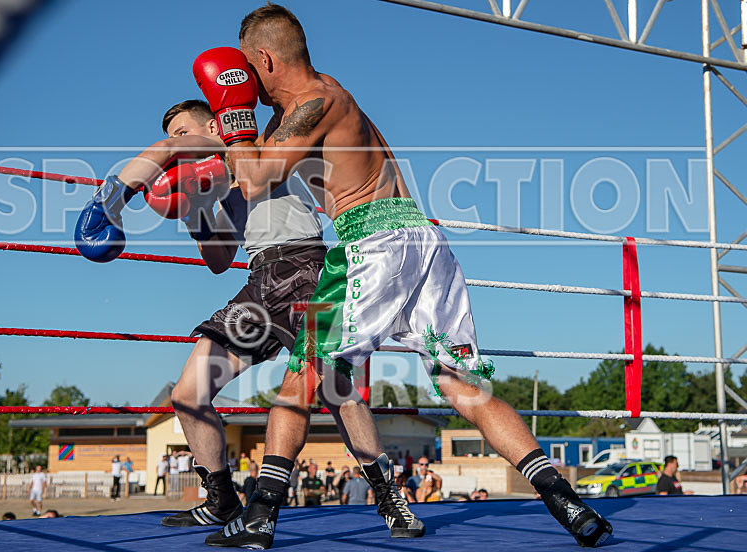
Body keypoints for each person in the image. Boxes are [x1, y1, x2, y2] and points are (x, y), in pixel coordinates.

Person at [197, 4, 612, 549]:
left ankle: (259, 517)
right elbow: (252, 169)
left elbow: (252, 180)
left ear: (265, 61)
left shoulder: (313, 103)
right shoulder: (325, 95)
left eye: (249, 72)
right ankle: (566, 501)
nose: (248, 83)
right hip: (425, 245)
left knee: (304, 373)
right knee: (463, 386)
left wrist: (230, 112)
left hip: (370, 245)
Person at [74, 97, 326, 529]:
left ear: (212, 124)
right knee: (188, 394)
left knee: (336, 393)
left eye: (183, 131)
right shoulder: (211, 180)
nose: (178, 142)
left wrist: (111, 200)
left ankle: (383, 493)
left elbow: (165, 150)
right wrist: (195, 207)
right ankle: (222, 500)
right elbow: (219, 258)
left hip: (303, 268)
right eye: (174, 135)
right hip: (261, 279)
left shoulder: (247, 145)